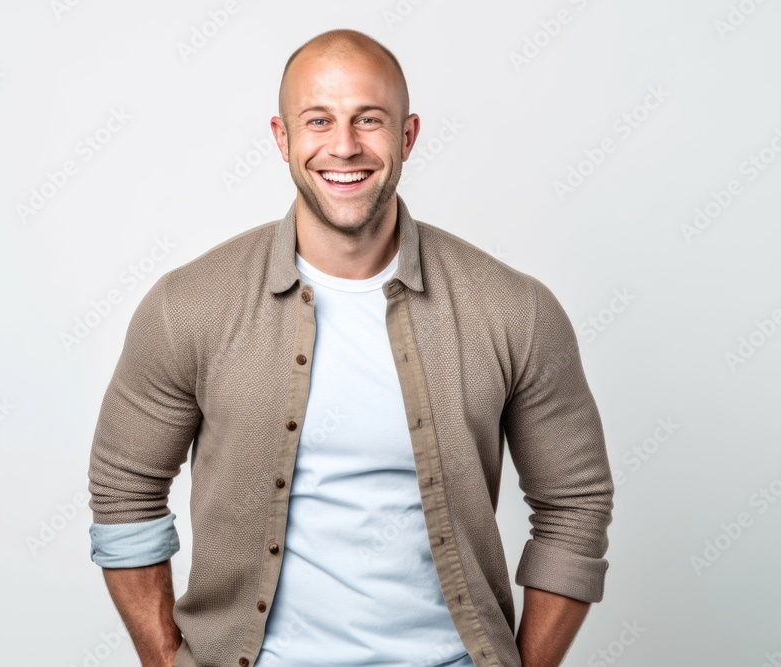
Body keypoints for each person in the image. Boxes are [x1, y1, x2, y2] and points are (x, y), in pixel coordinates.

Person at [87, 28, 614, 667]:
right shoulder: (189, 305)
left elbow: (574, 505)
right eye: (318, 120)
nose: (343, 146)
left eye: (369, 119)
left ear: (408, 136)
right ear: (282, 138)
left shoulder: (513, 309)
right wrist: (164, 660)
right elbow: (125, 489)